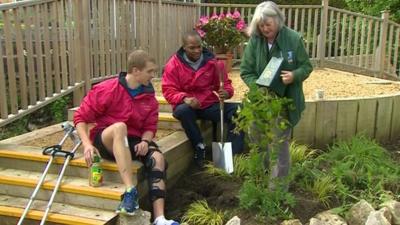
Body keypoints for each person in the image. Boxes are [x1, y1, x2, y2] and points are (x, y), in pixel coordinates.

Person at [74, 50, 179, 225]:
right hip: (106, 138)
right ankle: (130, 191)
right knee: (120, 127)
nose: (154, 76)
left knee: (158, 159)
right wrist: (86, 144)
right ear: (136, 71)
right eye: (150, 71)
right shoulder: (107, 89)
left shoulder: (149, 97)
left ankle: (160, 218)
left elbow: (149, 126)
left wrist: (145, 141)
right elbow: (80, 118)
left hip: (133, 140)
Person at [240, 1, 313, 179]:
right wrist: (258, 89)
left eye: (268, 24)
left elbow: (307, 66)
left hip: (285, 100)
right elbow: (246, 71)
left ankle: (277, 190)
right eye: (261, 25)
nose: (265, 29)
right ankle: (264, 175)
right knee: (257, 136)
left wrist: (294, 75)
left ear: (278, 20)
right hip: (260, 101)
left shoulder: (293, 39)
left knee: (279, 144)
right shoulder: (256, 40)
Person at [162, 30, 244, 168]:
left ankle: (232, 155)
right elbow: (168, 90)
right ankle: (199, 147)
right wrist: (184, 98)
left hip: (208, 104)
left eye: (199, 46)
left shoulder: (214, 62)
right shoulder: (173, 64)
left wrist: (227, 92)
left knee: (239, 110)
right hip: (188, 106)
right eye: (192, 47)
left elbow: (225, 84)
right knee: (182, 111)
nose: (197, 50)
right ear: (184, 47)